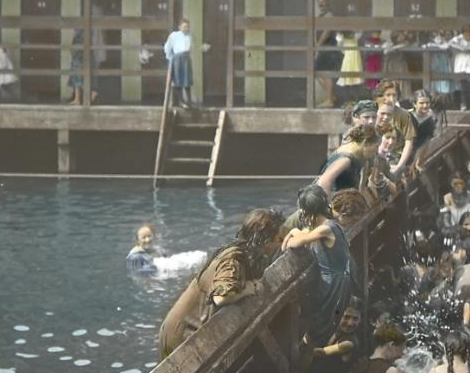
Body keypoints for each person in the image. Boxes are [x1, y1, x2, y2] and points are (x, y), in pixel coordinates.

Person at [158, 208, 283, 359]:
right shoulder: (233, 259)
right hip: (180, 334)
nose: (280, 244)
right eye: (278, 239)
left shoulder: (247, 253)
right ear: (265, 241)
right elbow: (221, 297)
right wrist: (248, 288)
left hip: (192, 330)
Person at [282, 185, 356, 349]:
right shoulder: (330, 224)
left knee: (320, 329)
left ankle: (311, 355)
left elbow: (293, 244)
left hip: (334, 285)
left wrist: (293, 231)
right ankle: (314, 351)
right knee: (323, 325)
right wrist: (298, 232)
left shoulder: (325, 229)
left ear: (309, 213)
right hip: (336, 281)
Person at [316, 126, 380, 195]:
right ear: (366, 143)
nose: (377, 151)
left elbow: (362, 188)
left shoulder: (361, 157)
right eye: (376, 146)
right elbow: (323, 183)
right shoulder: (345, 160)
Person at [313, 0, 343, 107]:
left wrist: (317, 47)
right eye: (319, 2)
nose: (321, 4)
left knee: (324, 73)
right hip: (322, 47)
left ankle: (330, 100)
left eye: (323, 1)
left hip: (327, 47)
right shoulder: (321, 16)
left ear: (328, 3)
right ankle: (332, 96)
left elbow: (326, 32)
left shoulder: (329, 15)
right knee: (318, 73)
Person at [164, 18, 194, 107]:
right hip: (177, 59)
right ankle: (180, 102)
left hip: (186, 59)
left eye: (188, 27)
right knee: (178, 80)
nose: (186, 29)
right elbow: (167, 47)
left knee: (187, 81)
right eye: (184, 27)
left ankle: (189, 102)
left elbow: (190, 48)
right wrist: (170, 58)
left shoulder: (189, 36)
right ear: (179, 27)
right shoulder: (174, 35)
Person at [67, 29, 100, 105]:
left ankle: (86, 96)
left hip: (80, 57)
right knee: (78, 78)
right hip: (78, 57)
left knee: (80, 77)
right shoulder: (81, 33)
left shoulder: (84, 34)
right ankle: (78, 98)